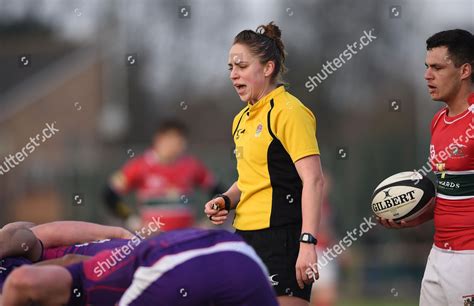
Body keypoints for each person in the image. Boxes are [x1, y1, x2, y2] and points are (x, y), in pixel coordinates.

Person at [204, 21, 325, 306]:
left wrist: (307, 244)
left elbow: (314, 180)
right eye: (230, 68)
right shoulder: (240, 119)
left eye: (241, 66)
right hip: (244, 239)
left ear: (268, 68)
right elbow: (248, 181)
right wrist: (225, 200)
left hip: (282, 240)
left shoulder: (289, 111)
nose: (234, 75)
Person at [377, 29, 474, 306]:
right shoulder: (438, 121)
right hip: (438, 254)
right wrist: (414, 216)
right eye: (426, 67)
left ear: (464, 70)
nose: (427, 75)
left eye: (437, 67)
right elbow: (451, 194)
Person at [1, 228, 278, 306]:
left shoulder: (22, 252)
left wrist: (118, 232)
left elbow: (23, 238)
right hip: (233, 249)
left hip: (165, 260)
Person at [104, 119, 223, 231]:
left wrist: (210, 221)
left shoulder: (192, 165)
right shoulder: (139, 166)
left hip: (186, 238)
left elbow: (219, 192)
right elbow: (110, 196)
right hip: (154, 240)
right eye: (172, 140)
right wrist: (132, 220)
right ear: (159, 139)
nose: (177, 146)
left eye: (180, 141)